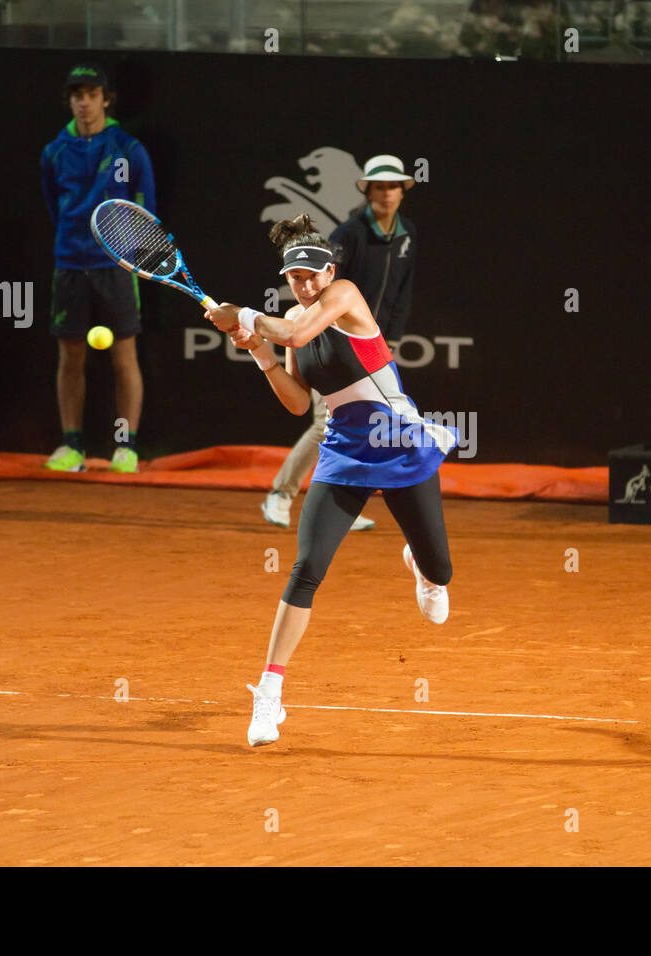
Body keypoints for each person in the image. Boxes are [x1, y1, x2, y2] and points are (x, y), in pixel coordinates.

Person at [208, 213, 455, 748]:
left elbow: (296, 328)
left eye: (313, 274)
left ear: (331, 268)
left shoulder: (344, 296)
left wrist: (245, 315)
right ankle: (269, 694)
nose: (307, 284)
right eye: (296, 278)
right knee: (306, 569)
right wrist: (260, 353)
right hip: (343, 453)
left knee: (441, 570)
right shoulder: (295, 320)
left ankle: (422, 566)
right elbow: (299, 403)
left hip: (398, 445)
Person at [260, 154, 419, 532]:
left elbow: (403, 289)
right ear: (366, 191)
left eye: (392, 186)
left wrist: (387, 338)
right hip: (328, 340)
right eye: (378, 186)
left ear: (402, 191)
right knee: (326, 425)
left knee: (358, 424)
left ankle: (343, 500)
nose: (386, 193)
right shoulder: (348, 234)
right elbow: (324, 293)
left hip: (369, 345)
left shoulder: (407, 233)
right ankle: (280, 494)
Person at [40, 65, 155, 474]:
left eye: (91, 94)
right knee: (70, 357)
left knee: (125, 356)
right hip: (70, 265)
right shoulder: (54, 152)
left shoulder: (129, 148)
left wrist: (133, 256)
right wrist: (75, 244)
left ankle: (127, 447)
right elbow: (55, 207)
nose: (84, 102)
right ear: (70, 100)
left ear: (106, 98)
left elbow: (145, 212)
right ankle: (72, 446)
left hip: (117, 266)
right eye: (77, 95)